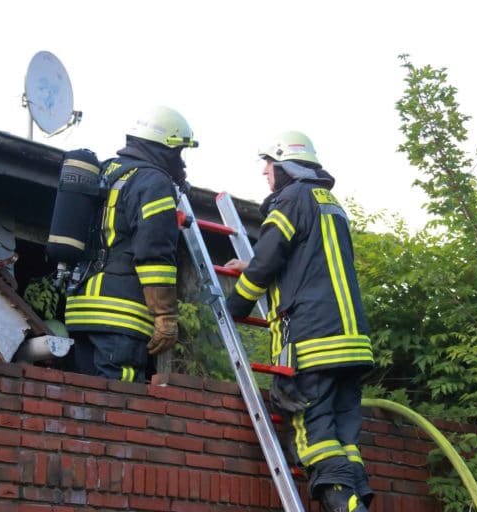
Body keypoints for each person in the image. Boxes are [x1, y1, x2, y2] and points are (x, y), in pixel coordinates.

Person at [225, 131, 374, 512]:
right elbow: (308, 264)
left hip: (312, 344)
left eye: (268, 165)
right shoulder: (330, 203)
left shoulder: (290, 199)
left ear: (284, 166)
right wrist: (254, 263)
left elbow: (272, 255)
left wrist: (237, 303)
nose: (264, 173)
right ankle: (356, 502)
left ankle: (345, 507)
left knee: (315, 436)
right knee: (345, 440)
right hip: (352, 343)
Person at [62, 106, 198, 383]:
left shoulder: (106, 171)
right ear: (166, 148)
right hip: (120, 312)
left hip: (80, 307)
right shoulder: (153, 181)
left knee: (84, 394)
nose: (181, 162)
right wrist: (164, 316)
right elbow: (155, 252)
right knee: (120, 399)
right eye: (179, 152)